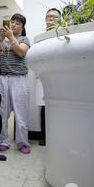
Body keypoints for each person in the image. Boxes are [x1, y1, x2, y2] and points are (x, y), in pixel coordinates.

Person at [0, 14, 31, 154]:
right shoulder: (1, 39)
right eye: (12, 21)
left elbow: (21, 52)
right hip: (2, 80)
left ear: (22, 27)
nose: (14, 24)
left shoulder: (24, 39)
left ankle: (23, 142)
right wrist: (1, 40)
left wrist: (11, 37)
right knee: (2, 113)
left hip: (19, 79)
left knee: (21, 113)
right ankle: (3, 141)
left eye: (18, 23)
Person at [36, 8, 62, 145]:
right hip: (44, 76)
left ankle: (59, 137)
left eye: (54, 17)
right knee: (44, 108)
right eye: (48, 17)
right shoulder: (40, 37)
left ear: (60, 19)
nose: (50, 19)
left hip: (60, 76)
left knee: (60, 107)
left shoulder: (64, 34)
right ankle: (44, 137)